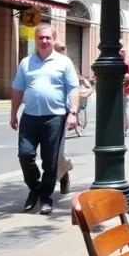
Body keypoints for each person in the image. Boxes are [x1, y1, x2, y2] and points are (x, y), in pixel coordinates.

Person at [10, 25, 79, 215]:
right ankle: (34, 188)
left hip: (54, 118)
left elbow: (73, 88)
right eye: (41, 38)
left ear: (54, 39)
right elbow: (17, 89)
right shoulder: (26, 62)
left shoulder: (64, 62)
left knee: (50, 161)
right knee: (25, 155)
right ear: (36, 39)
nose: (44, 41)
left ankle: (46, 197)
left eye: (48, 38)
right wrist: (13, 113)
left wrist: (72, 112)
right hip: (29, 117)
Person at [52, 43, 75, 194]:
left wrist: (72, 112)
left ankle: (64, 175)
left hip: (61, 113)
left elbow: (74, 89)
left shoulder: (67, 64)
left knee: (58, 152)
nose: (60, 51)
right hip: (38, 115)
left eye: (62, 48)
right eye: (57, 48)